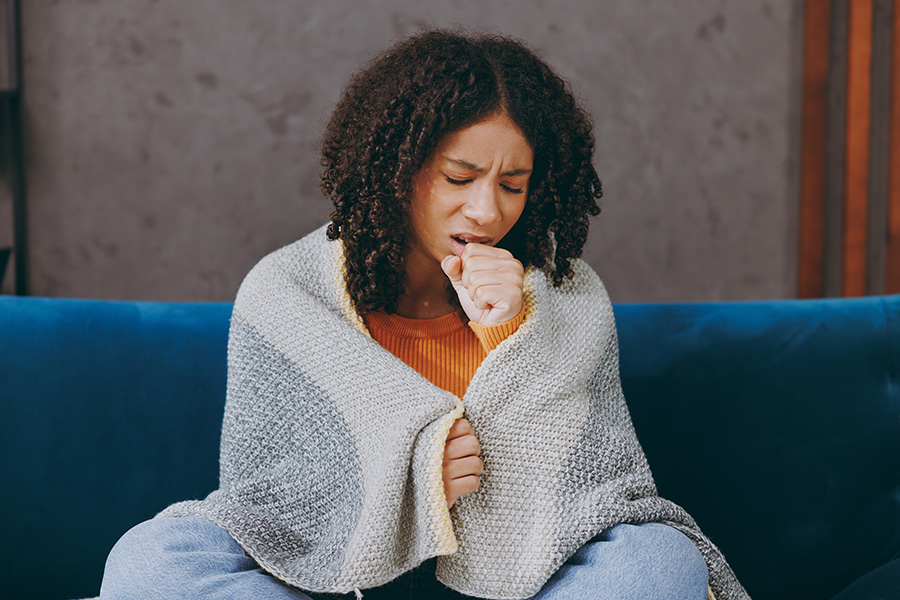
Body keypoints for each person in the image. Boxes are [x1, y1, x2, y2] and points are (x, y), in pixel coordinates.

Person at [100, 30, 748, 600]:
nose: (488, 212)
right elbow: (266, 494)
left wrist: (510, 330)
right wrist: (406, 473)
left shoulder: (565, 294)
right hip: (333, 585)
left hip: (523, 586)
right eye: (460, 178)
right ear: (398, 170)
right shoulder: (288, 290)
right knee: (154, 561)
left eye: (512, 184)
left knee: (658, 563)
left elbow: (590, 496)